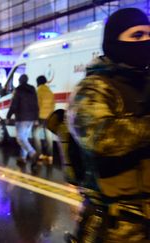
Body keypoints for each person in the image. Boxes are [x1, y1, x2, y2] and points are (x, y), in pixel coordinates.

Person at [66, 8, 150, 242]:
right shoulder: (94, 88)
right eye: (136, 35)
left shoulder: (145, 82)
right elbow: (102, 138)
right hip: (116, 225)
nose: (145, 41)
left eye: (148, 35)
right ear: (114, 41)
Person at [6, 74, 39, 166]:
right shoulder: (32, 89)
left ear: (20, 81)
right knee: (25, 138)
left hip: (22, 117)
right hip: (31, 118)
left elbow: (14, 105)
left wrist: (8, 116)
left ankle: (32, 153)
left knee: (20, 138)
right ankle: (23, 158)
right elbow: (36, 104)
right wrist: (36, 118)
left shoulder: (18, 90)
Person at [32, 75, 55, 165]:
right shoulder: (50, 92)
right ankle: (50, 156)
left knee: (35, 135)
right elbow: (53, 104)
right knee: (48, 136)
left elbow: (36, 106)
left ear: (38, 82)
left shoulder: (38, 91)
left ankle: (40, 154)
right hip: (49, 116)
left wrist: (36, 117)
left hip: (40, 116)